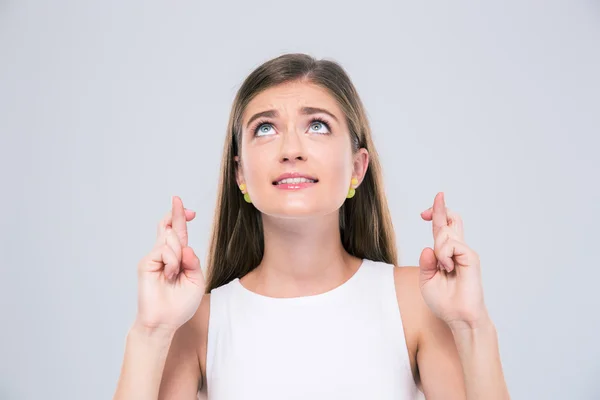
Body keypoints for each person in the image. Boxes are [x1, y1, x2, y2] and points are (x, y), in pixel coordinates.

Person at [113, 53, 510, 400]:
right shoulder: (199, 320)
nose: (291, 150)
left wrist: (473, 325)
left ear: (357, 168)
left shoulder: (414, 302)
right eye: (265, 128)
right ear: (240, 175)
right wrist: (150, 332)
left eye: (317, 125)